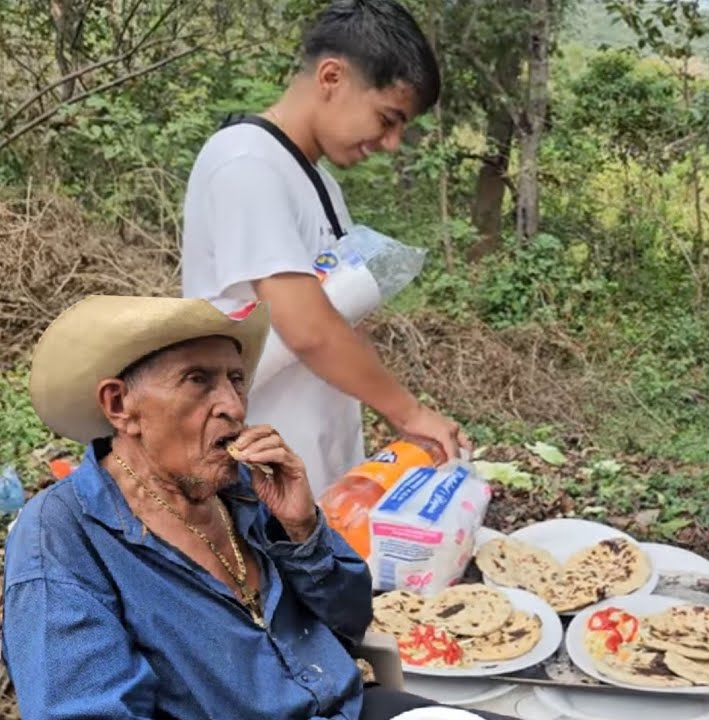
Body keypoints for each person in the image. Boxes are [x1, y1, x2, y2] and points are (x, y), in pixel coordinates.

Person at [2, 296, 513, 720]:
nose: (234, 405)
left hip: (350, 707)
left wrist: (302, 529)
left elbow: (351, 621)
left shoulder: (247, 488)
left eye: (236, 379)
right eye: (198, 380)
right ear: (119, 406)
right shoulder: (64, 538)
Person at [181, 0, 468, 496]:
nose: (393, 142)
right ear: (331, 77)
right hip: (252, 476)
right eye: (388, 118)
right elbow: (308, 327)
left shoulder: (317, 183)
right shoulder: (246, 162)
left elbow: (333, 319)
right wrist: (409, 411)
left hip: (309, 472)